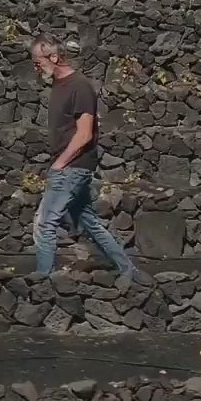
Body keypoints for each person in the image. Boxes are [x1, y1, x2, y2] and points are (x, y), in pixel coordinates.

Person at [28, 36, 145, 282]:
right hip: (71, 166)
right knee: (89, 222)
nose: (35, 68)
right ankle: (128, 270)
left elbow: (84, 133)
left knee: (45, 223)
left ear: (54, 57)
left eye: (38, 63)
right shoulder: (59, 86)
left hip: (72, 166)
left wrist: (60, 164)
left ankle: (41, 282)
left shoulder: (79, 86)